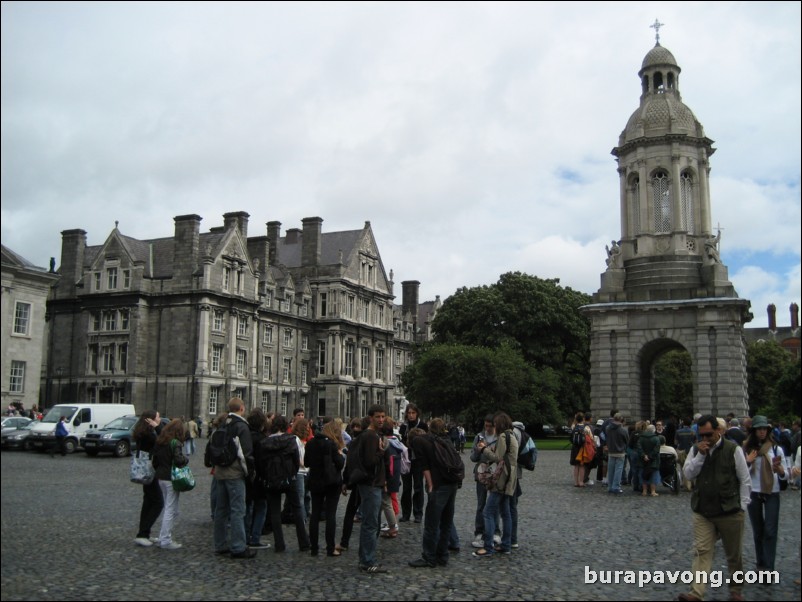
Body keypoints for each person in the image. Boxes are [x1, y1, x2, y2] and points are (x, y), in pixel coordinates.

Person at [676, 415, 751, 602]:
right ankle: (696, 593)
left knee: (734, 554)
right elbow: (688, 473)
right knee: (701, 551)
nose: (705, 439)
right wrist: (701, 455)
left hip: (730, 511)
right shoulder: (696, 450)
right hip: (703, 511)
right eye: (701, 435)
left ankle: (735, 590)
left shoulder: (734, 450)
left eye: (708, 434)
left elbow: (745, 479)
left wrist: (742, 506)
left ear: (719, 431)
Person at [408, 418, 460, 568]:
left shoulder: (419, 442)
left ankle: (429, 557)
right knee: (446, 522)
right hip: (452, 483)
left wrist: (430, 484)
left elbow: (424, 466)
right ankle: (442, 555)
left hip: (438, 484)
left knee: (431, 523)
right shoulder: (444, 439)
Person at [212, 397, 257, 559]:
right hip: (234, 473)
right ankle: (238, 546)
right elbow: (245, 454)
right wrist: (249, 473)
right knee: (238, 510)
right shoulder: (241, 426)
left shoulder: (222, 423)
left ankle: (220, 544)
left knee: (221, 510)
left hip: (220, 472)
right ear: (242, 408)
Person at [743, 415, 787, 571]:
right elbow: (742, 474)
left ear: (767, 431)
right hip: (753, 491)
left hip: (771, 491)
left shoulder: (776, 448)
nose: (761, 432)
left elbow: (785, 474)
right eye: (758, 429)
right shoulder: (747, 449)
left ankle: (769, 567)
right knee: (758, 531)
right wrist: (748, 461)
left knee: (770, 530)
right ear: (754, 431)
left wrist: (781, 471)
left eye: (764, 429)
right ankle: (760, 563)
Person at [473, 412, 518, 558]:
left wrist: (484, 449)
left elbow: (497, 458)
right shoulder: (513, 436)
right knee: (505, 512)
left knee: (488, 512)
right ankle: (506, 545)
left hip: (501, 479)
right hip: (511, 478)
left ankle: (488, 547)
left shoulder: (503, 437)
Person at [353, 404, 389, 573]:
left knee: (371, 523)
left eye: (383, 416)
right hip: (371, 484)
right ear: (370, 418)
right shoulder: (370, 436)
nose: (381, 420)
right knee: (371, 524)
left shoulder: (373, 435)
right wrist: (381, 452)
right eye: (378, 417)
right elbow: (369, 462)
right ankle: (368, 561)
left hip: (374, 484)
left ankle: (365, 558)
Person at [305, 420, 345, 556]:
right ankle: (330, 548)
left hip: (315, 481)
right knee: (330, 515)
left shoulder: (310, 443)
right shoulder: (331, 444)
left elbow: (306, 462)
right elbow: (340, 464)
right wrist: (340, 455)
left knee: (315, 514)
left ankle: (314, 548)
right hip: (331, 482)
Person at [151, 418, 188, 550]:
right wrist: (186, 459)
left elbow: (154, 460)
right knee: (171, 509)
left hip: (160, 476)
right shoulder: (175, 443)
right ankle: (165, 539)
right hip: (170, 478)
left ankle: (162, 536)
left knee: (170, 508)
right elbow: (178, 460)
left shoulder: (161, 441)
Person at [132, 410, 164, 547]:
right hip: (150, 470)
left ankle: (144, 533)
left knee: (148, 502)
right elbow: (164, 440)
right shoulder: (149, 435)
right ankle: (143, 533)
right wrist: (157, 427)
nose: (160, 418)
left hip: (146, 469)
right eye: (158, 417)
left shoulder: (143, 432)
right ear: (150, 420)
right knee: (158, 502)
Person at [470, 415, 500, 549]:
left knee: (494, 504)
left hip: (495, 473)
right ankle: (479, 532)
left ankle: (495, 531)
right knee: (481, 504)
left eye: (490, 426)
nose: (487, 428)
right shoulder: (479, 437)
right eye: (486, 426)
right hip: (482, 473)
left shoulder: (499, 438)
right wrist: (477, 450)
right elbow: (473, 457)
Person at [245, 408, 270, 550]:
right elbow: (264, 462)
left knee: (247, 508)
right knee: (261, 508)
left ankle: (245, 535)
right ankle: (255, 538)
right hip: (259, 479)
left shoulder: (245, 436)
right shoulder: (262, 440)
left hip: (247, 477)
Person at [399, 403, 428, 523]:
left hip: (418, 460)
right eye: (409, 413)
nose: (411, 415)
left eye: (413, 413)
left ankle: (418, 513)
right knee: (406, 488)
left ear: (417, 414)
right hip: (406, 460)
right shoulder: (403, 426)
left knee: (418, 487)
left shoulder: (422, 425)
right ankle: (406, 513)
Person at [605, 413, 628, 494]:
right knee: (618, 470)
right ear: (621, 419)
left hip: (611, 451)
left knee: (610, 470)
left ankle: (610, 487)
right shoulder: (623, 430)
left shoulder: (608, 428)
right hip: (620, 452)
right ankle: (616, 487)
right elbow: (626, 440)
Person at [638, 424, 661, 497]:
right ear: (653, 430)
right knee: (653, 475)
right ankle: (653, 491)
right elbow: (656, 450)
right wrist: (650, 456)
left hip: (642, 460)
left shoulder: (641, 438)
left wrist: (644, 455)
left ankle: (644, 491)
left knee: (644, 474)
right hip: (653, 460)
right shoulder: (656, 438)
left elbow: (639, 448)